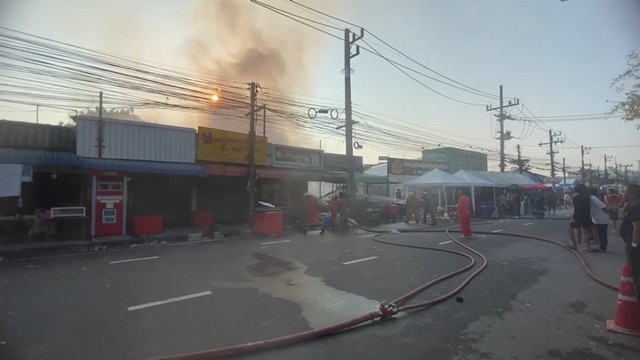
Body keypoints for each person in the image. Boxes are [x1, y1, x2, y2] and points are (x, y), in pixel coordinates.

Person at [619, 184, 640, 301]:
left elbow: (637, 228)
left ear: (632, 194)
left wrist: (634, 246)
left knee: (636, 271)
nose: (623, 194)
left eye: (625, 193)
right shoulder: (632, 206)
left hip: (634, 243)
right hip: (631, 241)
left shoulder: (636, 207)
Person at [572, 184, 592, 250]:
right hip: (586, 214)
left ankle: (577, 242)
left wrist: (574, 217)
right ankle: (588, 246)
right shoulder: (587, 196)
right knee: (586, 231)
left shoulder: (576, 197)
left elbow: (577, 208)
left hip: (578, 215)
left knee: (575, 228)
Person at [589, 187, 609, 252]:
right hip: (597, 218)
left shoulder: (593, 198)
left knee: (602, 233)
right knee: (599, 231)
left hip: (601, 218)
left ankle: (603, 247)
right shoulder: (591, 198)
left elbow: (604, 207)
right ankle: (599, 243)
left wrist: (608, 215)